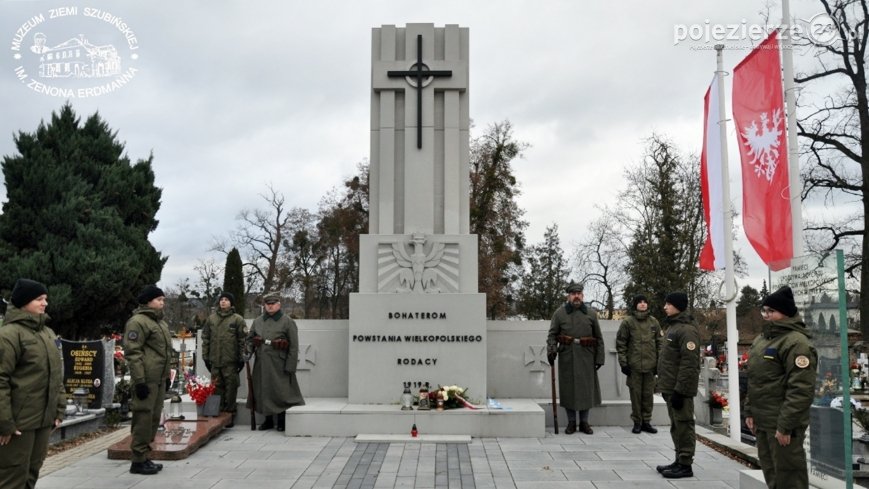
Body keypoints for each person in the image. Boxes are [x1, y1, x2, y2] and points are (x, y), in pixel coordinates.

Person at [745, 285, 817, 489]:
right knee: (772, 474)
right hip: (763, 420)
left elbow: (800, 389)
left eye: (771, 311)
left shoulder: (796, 343)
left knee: (789, 477)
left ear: (785, 312)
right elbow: (755, 378)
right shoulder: (762, 339)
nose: (766, 315)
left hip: (782, 423)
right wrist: (750, 411)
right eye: (764, 311)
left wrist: (786, 426)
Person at [0, 279, 65, 489]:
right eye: (39, 299)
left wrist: (59, 409)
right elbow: (1, 380)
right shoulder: (9, 334)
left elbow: (56, 373)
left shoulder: (47, 333)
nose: (45, 303)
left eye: (45, 298)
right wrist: (5, 423)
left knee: (32, 472)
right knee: (12, 477)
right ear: (23, 302)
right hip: (19, 422)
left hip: (43, 419)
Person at [124, 285, 173, 475]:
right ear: (147, 301)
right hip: (146, 379)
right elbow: (133, 353)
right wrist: (140, 381)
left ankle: (144, 456)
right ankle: (137, 459)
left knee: (153, 417)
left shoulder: (160, 323)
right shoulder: (137, 322)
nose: (162, 302)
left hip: (159, 378)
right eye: (159, 299)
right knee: (143, 416)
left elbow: (165, 353)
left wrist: (167, 375)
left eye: (163, 300)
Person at [546, 282, 604, 435]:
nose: (576, 296)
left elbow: (598, 337)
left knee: (586, 389)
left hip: (587, 355)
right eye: (573, 293)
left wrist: (599, 358)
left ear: (583, 295)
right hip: (567, 354)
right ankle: (571, 422)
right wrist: (551, 350)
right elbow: (552, 335)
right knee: (568, 389)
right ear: (568, 296)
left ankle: (584, 422)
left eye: (579, 293)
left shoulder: (591, 314)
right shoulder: (560, 313)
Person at [655, 291, 700, 479]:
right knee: (676, 425)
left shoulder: (686, 330)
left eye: (668, 304)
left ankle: (686, 464)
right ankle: (678, 459)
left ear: (678, 306)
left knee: (684, 424)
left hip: (679, 389)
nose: (665, 307)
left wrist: (681, 391)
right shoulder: (673, 328)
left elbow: (690, 364)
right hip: (670, 387)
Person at [246, 292, 304, 432]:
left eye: (273, 304)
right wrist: (248, 351)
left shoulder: (287, 321)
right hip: (262, 363)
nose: (270, 306)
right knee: (264, 391)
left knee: (280, 392)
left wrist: (291, 366)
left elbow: (294, 346)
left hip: (279, 363)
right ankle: (268, 420)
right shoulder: (258, 321)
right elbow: (250, 339)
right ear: (264, 305)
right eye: (268, 304)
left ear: (279, 304)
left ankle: (282, 420)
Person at [616, 294, 663, 434]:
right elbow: (621, 343)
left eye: (645, 302)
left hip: (650, 366)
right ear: (635, 305)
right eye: (639, 302)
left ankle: (647, 422)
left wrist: (658, 364)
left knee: (648, 395)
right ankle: (637, 422)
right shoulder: (628, 322)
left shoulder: (654, 322)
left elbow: (660, 343)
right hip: (634, 366)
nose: (642, 304)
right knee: (635, 396)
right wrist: (624, 363)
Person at [201, 291, 247, 426]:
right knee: (216, 388)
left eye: (226, 299)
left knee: (231, 388)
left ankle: (230, 414)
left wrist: (241, 359)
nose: (223, 302)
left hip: (230, 361)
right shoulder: (211, 319)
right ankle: (217, 414)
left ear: (231, 303)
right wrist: (205, 357)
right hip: (215, 361)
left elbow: (242, 340)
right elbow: (206, 339)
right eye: (222, 299)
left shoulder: (237, 319)